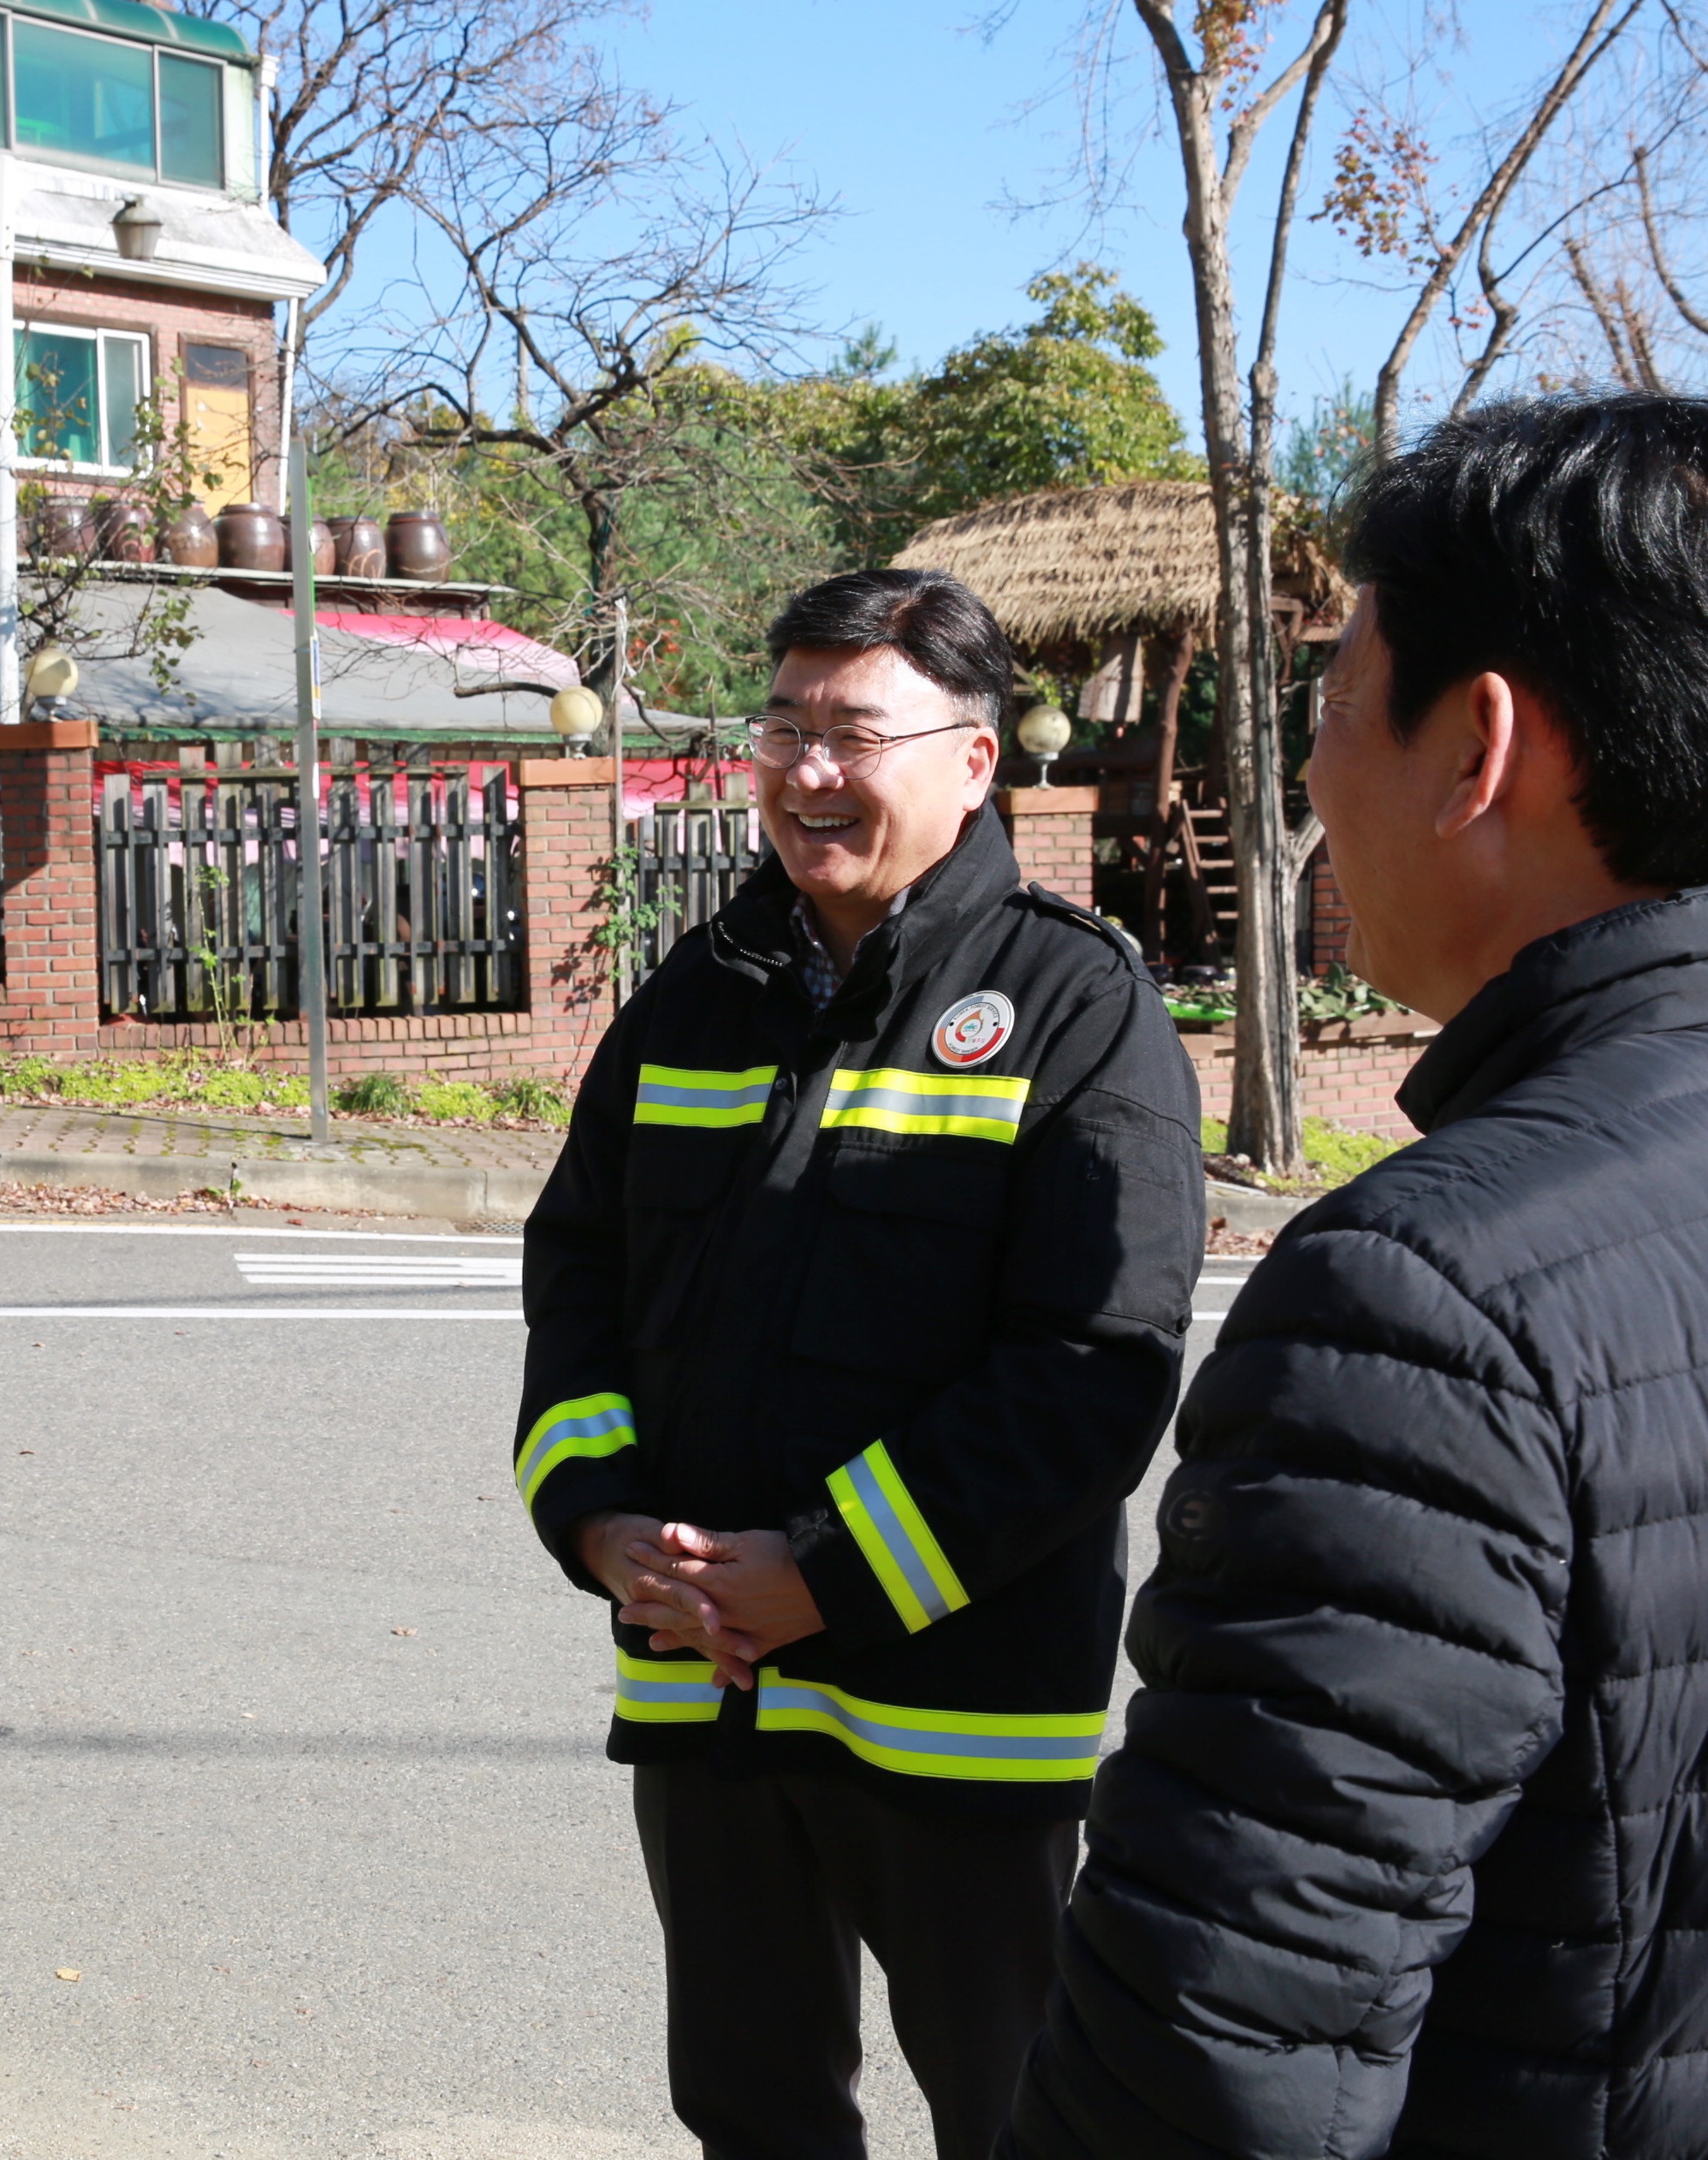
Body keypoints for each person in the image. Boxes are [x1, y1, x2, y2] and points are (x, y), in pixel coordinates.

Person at [1001, 394, 1708, 2160]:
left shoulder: (1429, 1296)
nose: (1307, 774)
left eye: (1326, 707)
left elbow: (1221, 2057)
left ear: (1481, 747)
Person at [518, 568, 1206, 2160]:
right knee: (751, 2110)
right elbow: (579, 1284)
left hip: (954, 1713)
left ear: (972, 760)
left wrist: (825, 1577)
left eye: (853, 732)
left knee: (1022, 2114)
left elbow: (1092, 1367)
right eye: (783, 729)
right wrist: (599, 1524)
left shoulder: (1073, 1006)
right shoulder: (695, 999)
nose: (808, 771)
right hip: (707, 1692)